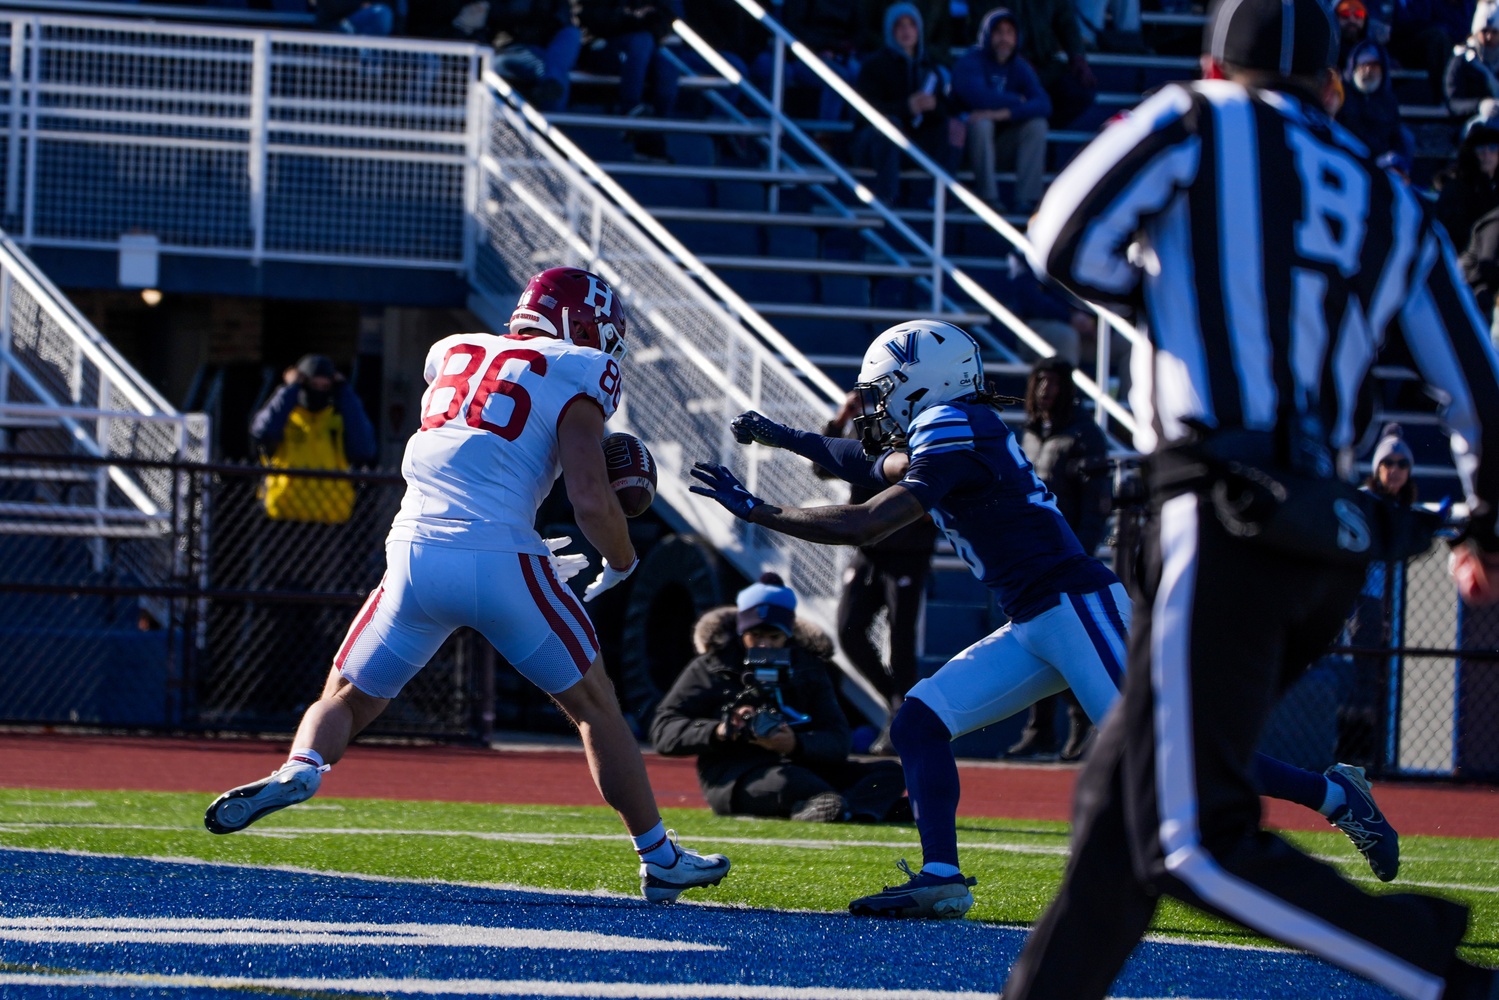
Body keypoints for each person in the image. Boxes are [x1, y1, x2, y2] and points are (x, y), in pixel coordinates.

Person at [1007, 0, 1499, 991]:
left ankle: (1441, 975)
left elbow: (1057, 241)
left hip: (1217, 514)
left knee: (1189, 839)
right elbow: (1476, 386)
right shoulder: (1387, 192)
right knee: (1117, 820)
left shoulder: (1196, 115)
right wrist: (1480, 526)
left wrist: (1169, 291)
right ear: (1331, 82)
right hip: (1322, 535)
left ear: (1212, 62)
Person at [696, 321, 1404, 920]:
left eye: (884, 391)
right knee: (917, 722)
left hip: (1074, 605)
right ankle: (941, 878)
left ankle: (1334, 794)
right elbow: (869, 462)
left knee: (1169, 759)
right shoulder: (953, 425)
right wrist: (787, 438)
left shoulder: (953, 424)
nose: (877, 407)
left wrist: (761, 510)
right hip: (1037, 616)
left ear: (923, 382)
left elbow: (867, 522)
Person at [206, 267, 731, 905]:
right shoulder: (581, 368)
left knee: (344, 695)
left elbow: (473, 446)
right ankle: (659, 858)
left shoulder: (453, 350)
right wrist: (621, 559)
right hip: (503, 556)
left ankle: (301, 766)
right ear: (584, 324)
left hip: (413, 555)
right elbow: (592, 499)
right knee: (595, 709)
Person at [650, 573, 909, 822]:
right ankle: (856, 807)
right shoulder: (713, 665)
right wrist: (720, 731)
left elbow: (838, 739)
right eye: (755, 635)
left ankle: (843, 809)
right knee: (792, 781)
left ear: (788, 634)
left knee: (890, 773)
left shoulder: (807, 666)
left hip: (805, 764)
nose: (764, 645)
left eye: (773, 636)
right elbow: (663, 730)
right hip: (739, 774)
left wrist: (795, 743)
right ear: (741, 631)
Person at [1006, 357, 1109, 762]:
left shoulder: (1085, 434)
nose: (1045, 389)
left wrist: (1080, 553)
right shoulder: (1028, 433)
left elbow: (1096, 503)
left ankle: (1079, 719)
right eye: (1040, 381)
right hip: (1029, 553)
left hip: (1067, 555)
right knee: (1036, 639)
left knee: (1062, 640)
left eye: (1053, 382)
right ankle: (1041, 730)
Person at [251, 354, 378, 525]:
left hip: (330, 517)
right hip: (283, 514)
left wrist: (345, 390)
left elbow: (365, 448)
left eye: (325, 386)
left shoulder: (337, 421)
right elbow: (262, 431)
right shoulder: (286, 418)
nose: (318, 391)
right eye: (313, 385)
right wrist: (290, 388)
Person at [851, 3, 956, 205]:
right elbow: (865, 111)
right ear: (890, 30)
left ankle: (943, 199)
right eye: (900, 25)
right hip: (873, 143)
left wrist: (933, 105)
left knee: (954, 128)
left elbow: (947, 108)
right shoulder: (874, 65)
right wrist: (907, 107)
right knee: (889, 126)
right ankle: (888, 198)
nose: (906, 31)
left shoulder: (930, 65)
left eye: (911, 25)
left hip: (914, 141)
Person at [951, 7, 1052, 214]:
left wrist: (1003, 113)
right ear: (987, 35)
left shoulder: (1020, 66)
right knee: (981, 123)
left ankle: (1027, 201)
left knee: (1037, 125)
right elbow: (980, 98)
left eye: (1009, 32)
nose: (1004, 38)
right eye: (998, 32)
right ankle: (988, 198)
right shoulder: (970, 61)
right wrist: (1016, 100)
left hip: (1002, 148)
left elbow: (1044, 104)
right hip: (967, 150)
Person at [407, 0, 582, 112]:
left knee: (570, 35)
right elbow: (486, 27)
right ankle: (554, 118)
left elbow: (560, 22)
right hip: (504, 51)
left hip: (543, 51)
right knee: (549, 67)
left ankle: (551, 86)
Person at [1008, 0, 1095, 125]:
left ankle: (1043, 128)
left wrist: (1078, 57)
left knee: (1080, 91)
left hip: (1045, 63)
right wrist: (1016, 59)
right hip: (1004, 64)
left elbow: (1067, 22)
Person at [1337, 40, 1416, 168]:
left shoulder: (1388, 101)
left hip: (1380, 162)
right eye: (1363, 65)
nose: (1368, 70)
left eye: (1374, 66)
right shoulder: (1340, 95)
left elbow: (1394, 133)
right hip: (1347, 159)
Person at [1435, 110, 1499, 250]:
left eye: (1493, 147)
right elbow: (1454, 235)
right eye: (1480, 147)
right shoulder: (1456, 186)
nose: (1486, 154)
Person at [1446, 3, 1499, 116]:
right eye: (1484, 31)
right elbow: (1453, 102)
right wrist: (1479, 106)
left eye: (1494, 32)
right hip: (1474, 121)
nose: (1489, 37)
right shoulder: (1462, 60)